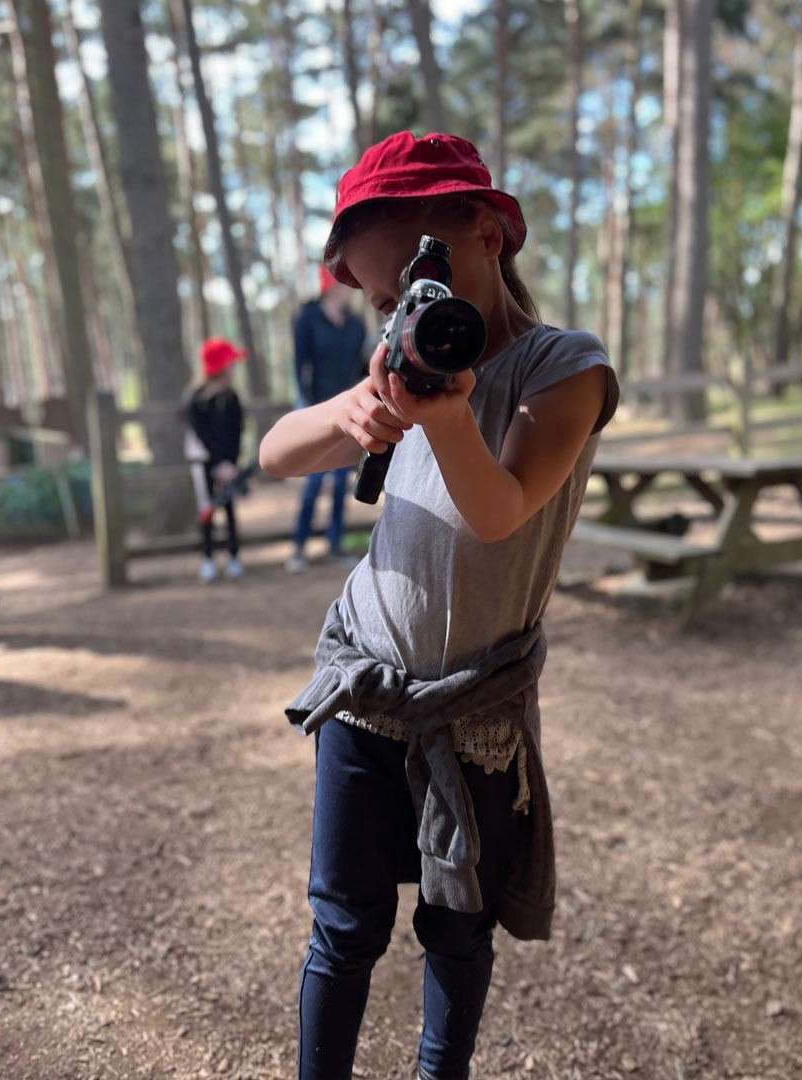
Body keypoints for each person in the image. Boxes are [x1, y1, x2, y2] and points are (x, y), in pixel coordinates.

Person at [259, 131, 619, 1080]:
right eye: (385, 301)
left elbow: (499, 512)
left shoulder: (563, 368)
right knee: (343, 926)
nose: (409, 312)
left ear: (488, 233)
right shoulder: (396, 373)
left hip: (477, 707)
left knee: (457, 927)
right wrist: (347, 414)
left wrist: (446, 414)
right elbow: (273, 454)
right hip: (365, 689)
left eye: (426, 277)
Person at [284, 265, 367, 573]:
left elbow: (361, 367)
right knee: (314, 482)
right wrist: (304, 409)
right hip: (316, 410)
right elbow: (298, 365)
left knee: (340, 483)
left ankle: (335, 543)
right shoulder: (307, 318)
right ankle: (299, 546)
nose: (349, 290)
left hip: (348, 412)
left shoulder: (356, 324)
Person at [185, 338, 246, 584]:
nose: (234, 368)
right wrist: (217, 463)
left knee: (229, 509)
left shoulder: (232, 399)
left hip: (228, 465)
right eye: (230, 363)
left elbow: (237, 432)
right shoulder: (197, 400)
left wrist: (229, 463)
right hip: (204, 464)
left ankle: (234, 556)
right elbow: (202, 435)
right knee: (207, 510)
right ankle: (208, 558)